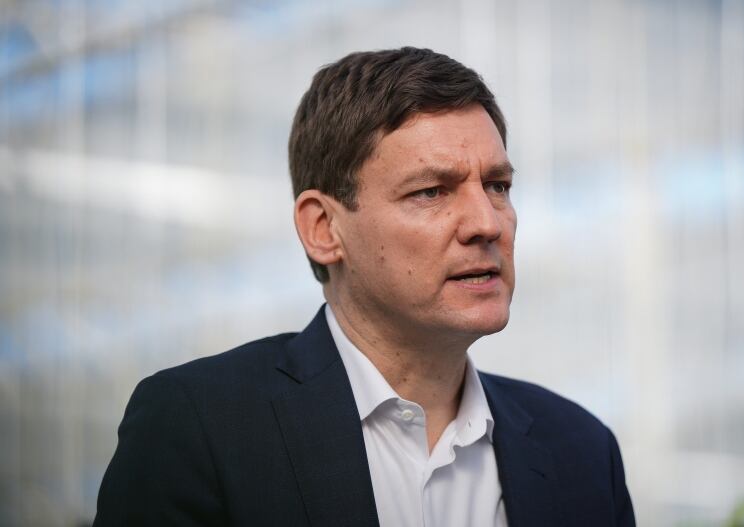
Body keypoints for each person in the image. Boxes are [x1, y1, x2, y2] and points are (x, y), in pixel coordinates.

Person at [94, 47, 635, 526]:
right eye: (430, 191)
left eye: (498, 186)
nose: (487, 224)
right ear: (323, 230)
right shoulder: (199, 426)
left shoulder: (583, 452)